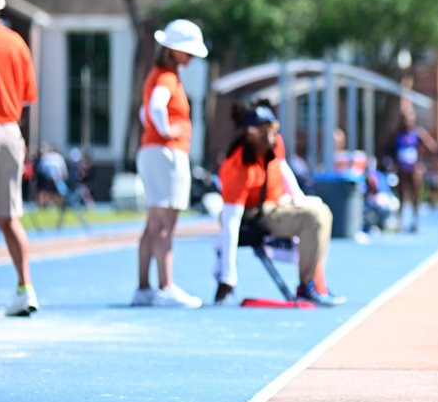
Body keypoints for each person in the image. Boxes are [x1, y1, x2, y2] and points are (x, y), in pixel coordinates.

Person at [214, 102, 343, 306]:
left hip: (277, 204)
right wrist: (228, 275)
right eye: (263, 132)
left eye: (273, 129)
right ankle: (306, 286)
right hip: (254, 216)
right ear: (250, 134)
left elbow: (282, 168)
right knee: (315, 217)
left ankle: (316, 283)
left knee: (322, 210)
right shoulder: (237, 168)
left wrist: (298, 198)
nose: (270, 136)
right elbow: (231, 221)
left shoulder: (274, 144)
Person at [130, 19, 207, 308]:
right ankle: (166, 286)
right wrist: (165, 130)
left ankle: (144, 288)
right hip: (167, 153)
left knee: (154, 223)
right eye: (188, 52)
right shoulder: (167, 78)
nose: (191, 58)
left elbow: (145, 111)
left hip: (153, 151)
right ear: (173, 50)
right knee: (165, 224)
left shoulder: (158, 75)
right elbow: (154, 107)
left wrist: (156, 129)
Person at [0, 0, 40, 316]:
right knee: (9, 217)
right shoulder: (16, 42)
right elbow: (28, 98)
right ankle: (25, 288)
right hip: (9, 133)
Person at [390, 106, 438, 233]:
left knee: (415, 195)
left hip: (414, 170)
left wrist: (423, 163)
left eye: (409, 119)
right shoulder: (397, 134)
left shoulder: (418, 133)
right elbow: (389, 150)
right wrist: (393, 163)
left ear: (413, 119)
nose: (406, 122)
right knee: (401, 195)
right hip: (401, 169)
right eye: (404, 119)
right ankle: (400, 222)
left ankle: (415, 222)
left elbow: (432, 148)